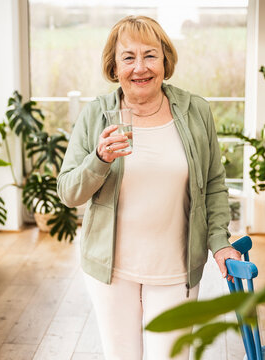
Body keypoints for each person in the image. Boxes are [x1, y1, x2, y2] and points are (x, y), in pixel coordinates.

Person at [57, 15, 242, 360]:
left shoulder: (195, 110)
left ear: (165, 60)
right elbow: (68, 192)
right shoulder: (96, 115)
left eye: (150, 55)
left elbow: (214, 183)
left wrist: (220, 242)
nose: (140, 67)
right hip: (112, 271)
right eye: (128, 57)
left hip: (177, 268)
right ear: (114, 67)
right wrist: (99, 159)